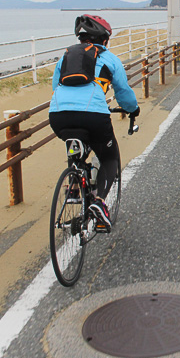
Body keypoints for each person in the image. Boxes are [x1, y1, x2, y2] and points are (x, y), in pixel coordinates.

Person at [49, 14, 140, 231]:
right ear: (105, 39)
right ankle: (99, 203)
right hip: (94, 115)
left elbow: (55, 87)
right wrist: (132, 109)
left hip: (58, 114)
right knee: (109, 157)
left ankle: (73, 185)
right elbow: (123, 92)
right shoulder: (109, 59)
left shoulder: (66, 57)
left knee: (75, 144)